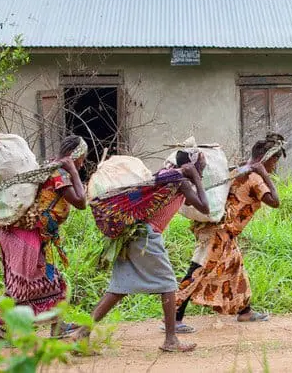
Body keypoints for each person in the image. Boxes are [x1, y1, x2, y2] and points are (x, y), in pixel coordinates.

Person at [80, 149, 210, 352]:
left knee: (118, 288)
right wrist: (196, 178)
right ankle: (171, 340)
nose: (204, 168)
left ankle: (81, 334)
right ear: (192, 166)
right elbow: (205, 208)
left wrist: (193, 177)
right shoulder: (181, 182)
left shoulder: (166, 175)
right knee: (168, 284)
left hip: (134, 233)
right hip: (147, 236)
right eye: (201, 165)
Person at [173, 133, 285, 333]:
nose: (275, 166)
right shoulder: (255, 177)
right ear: (266, 159)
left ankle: (245, 311)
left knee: (235, 266)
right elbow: (275, 202)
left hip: (223, 231)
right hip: (218, 232)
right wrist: (265, 175)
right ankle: (173, 317)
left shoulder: (239, 169)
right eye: (275, 160)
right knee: (198, 270)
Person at [0, 135, 88, 340]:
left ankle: (57, 326)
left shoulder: (51, 166)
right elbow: (81, 202)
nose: (82, 163)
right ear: (74, 156)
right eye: (82, 158)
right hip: (25, 236)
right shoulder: (59, 173)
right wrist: (74, 173)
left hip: (30, 235)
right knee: (20, 284)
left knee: (52, 282)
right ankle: (0, 332)